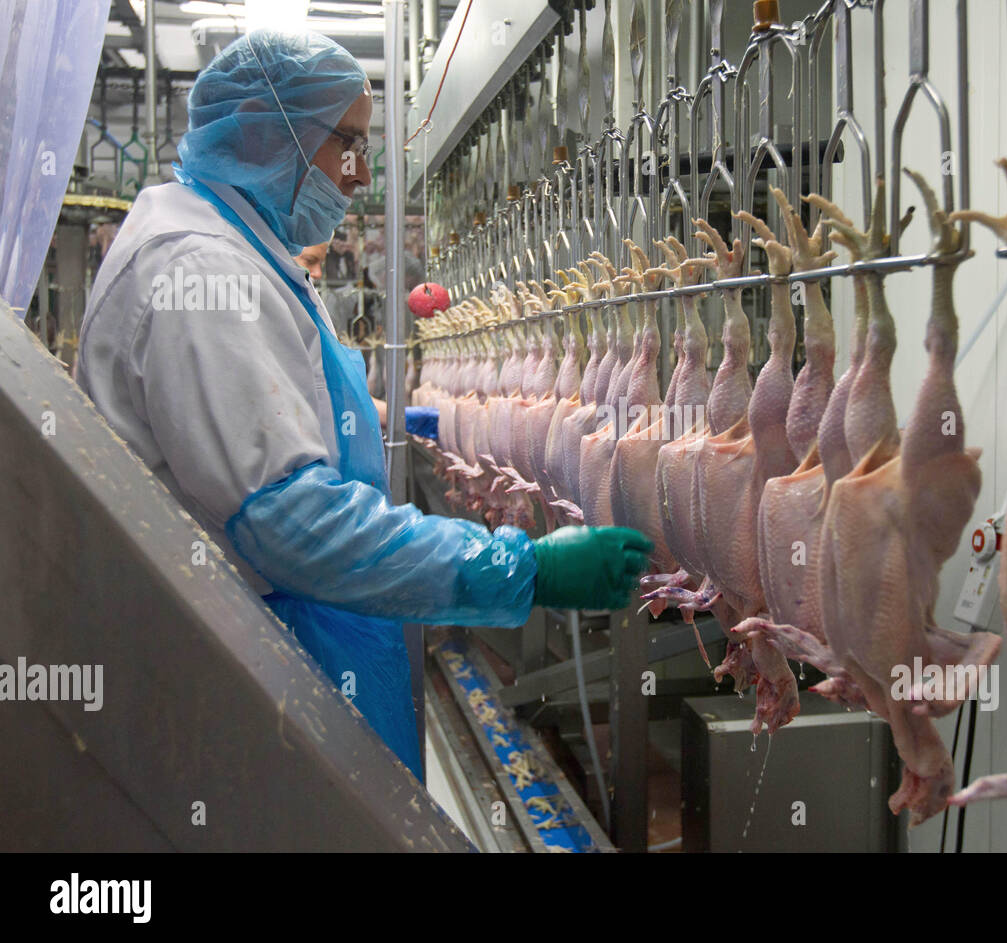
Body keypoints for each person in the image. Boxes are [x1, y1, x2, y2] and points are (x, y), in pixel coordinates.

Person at [76, 30, 652, 780]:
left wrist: (389, 422)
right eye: (346, 143)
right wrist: (520, 568)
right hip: (234, 675)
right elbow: (290, 520)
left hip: (254, 638)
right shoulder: (204, 269)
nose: (361, 175)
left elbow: (272, 439)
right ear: (261, 131)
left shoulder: (234, 249)